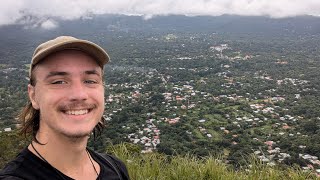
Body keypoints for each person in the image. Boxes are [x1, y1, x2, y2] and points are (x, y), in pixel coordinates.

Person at [0, 36, 130, 180]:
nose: (79, 94)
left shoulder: (116, 168)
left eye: (90, 81)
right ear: (33, 96)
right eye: (59, 82)